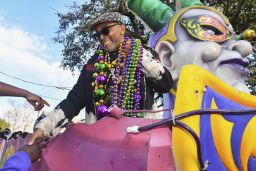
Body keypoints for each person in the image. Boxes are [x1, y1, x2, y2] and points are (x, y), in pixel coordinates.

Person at [29, 12, 173, 145]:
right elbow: (74, 101)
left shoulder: (144, 53)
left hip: (140, 140)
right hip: (99, 145)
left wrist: (140, 57)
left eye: (105, 30)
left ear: (122, 29)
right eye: (97, 35)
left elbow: (165, 84)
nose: (101, 37)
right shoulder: (93, 63)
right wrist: (45, 127)